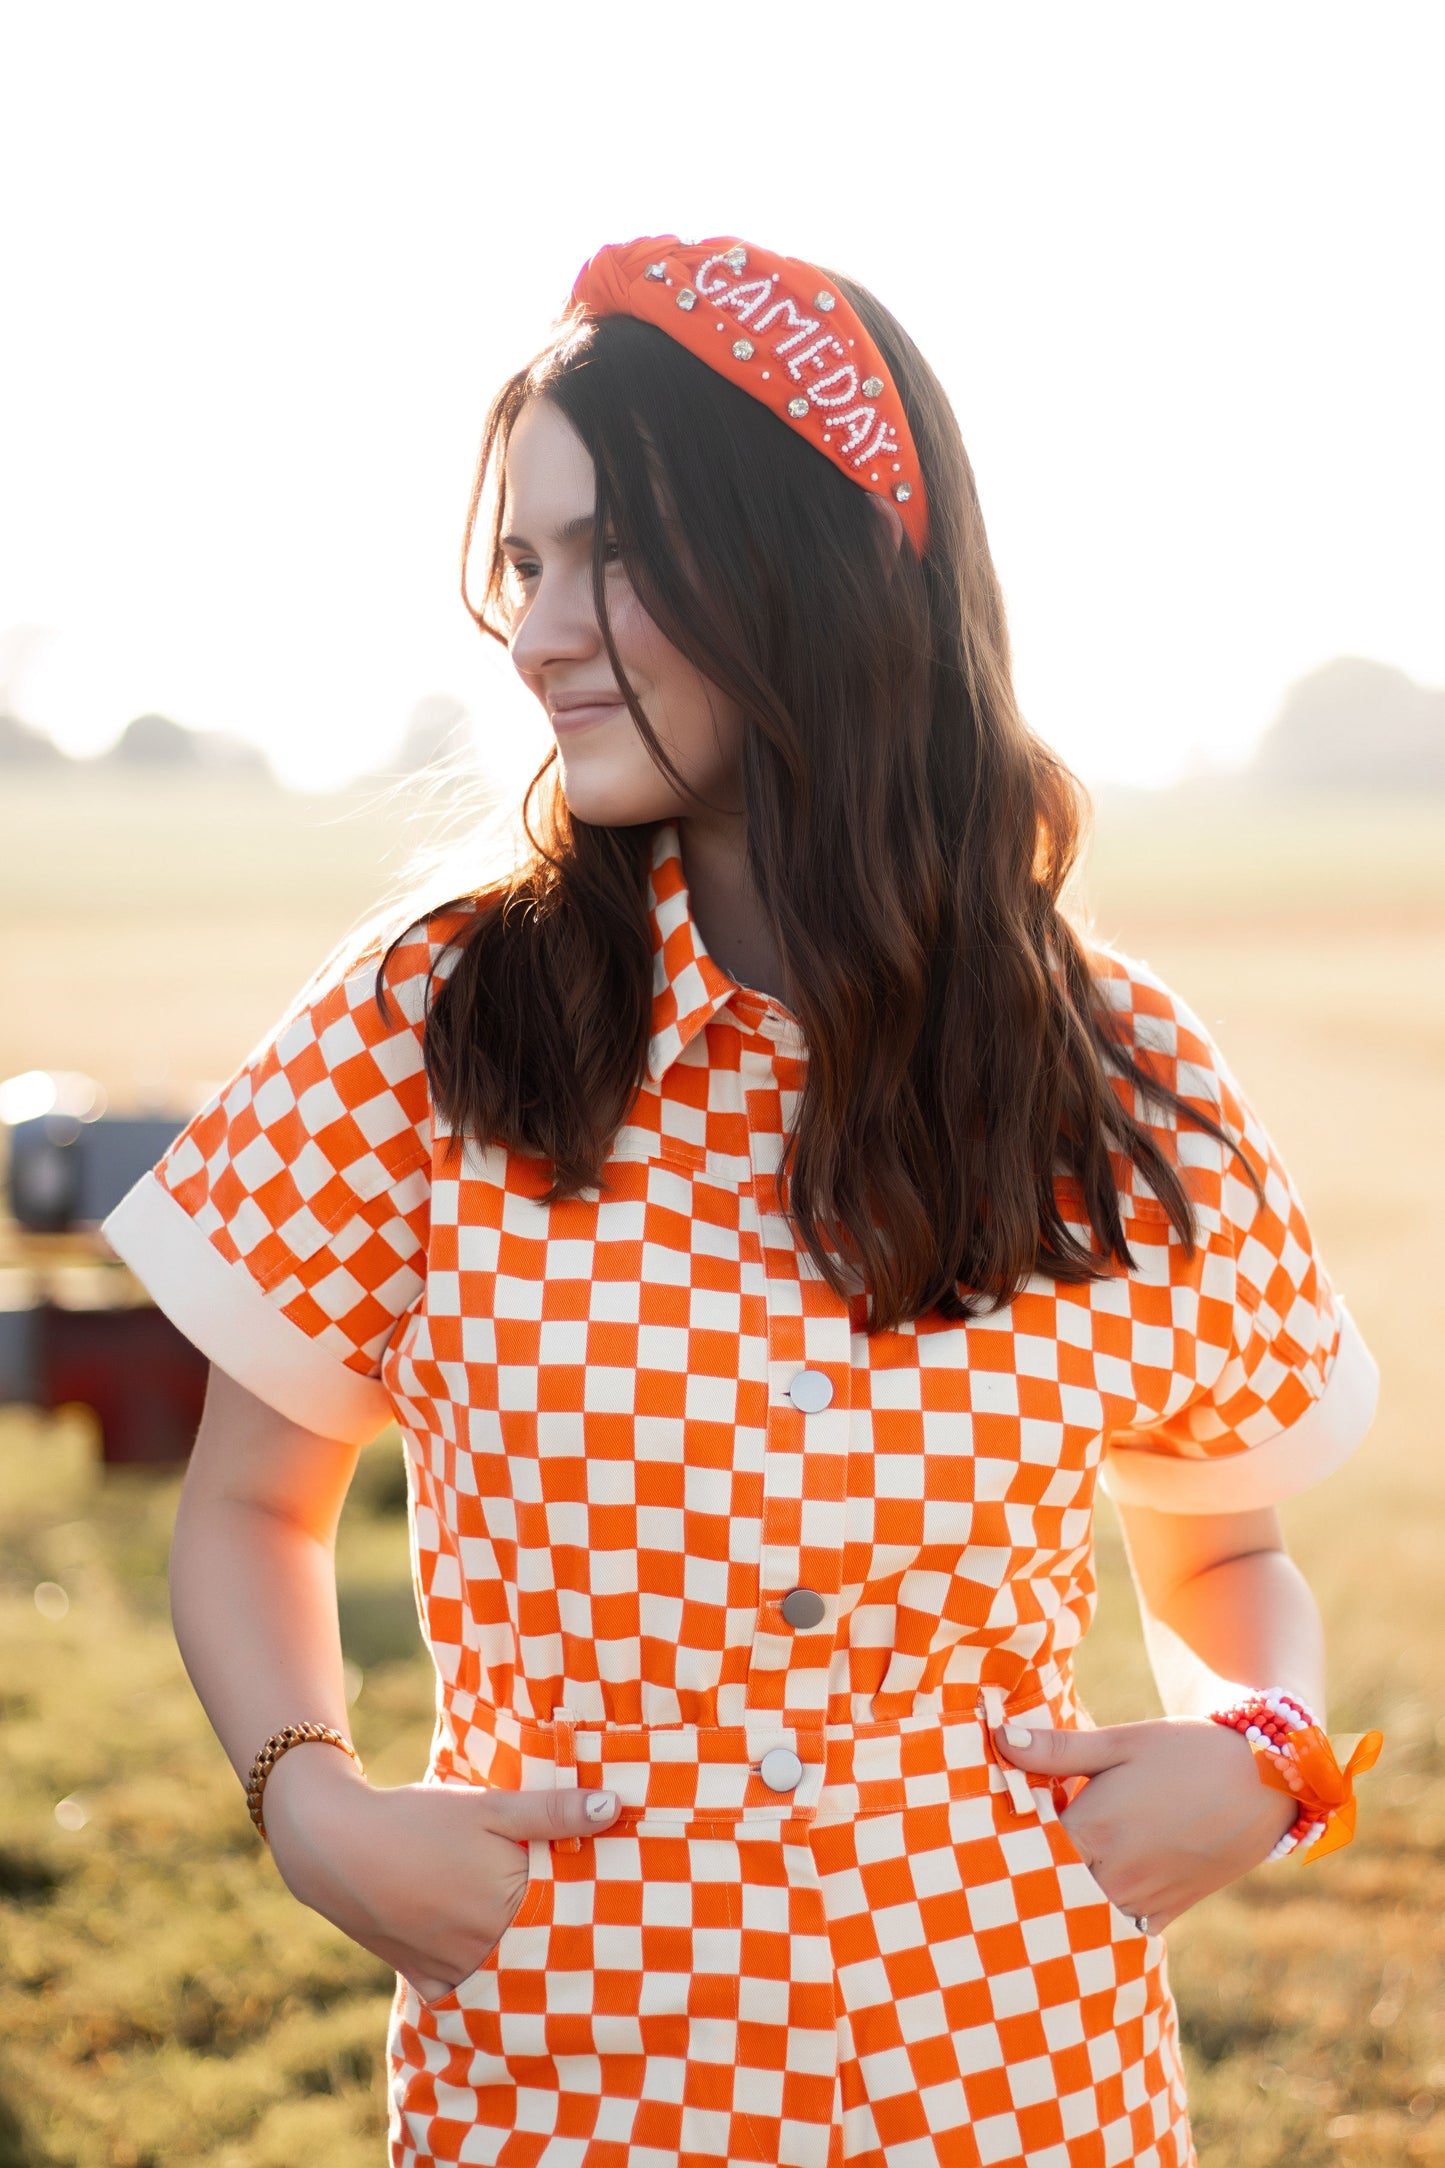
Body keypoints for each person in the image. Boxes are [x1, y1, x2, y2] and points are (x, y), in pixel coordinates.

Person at [103, 233, 1382, 2168]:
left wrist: (1263, 1760)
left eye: (609, 552)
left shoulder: (1111, 1073)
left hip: (1013, 2076)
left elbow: (1226, 1559)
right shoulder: (429, 1024)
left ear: (827, 567)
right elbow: (250, 1511)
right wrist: (314, 1803)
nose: (536, 631)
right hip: (565, 2078)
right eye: (523, 564)